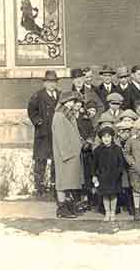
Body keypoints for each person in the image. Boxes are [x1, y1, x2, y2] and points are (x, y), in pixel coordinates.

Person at [27, 70, 60, 199]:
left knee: (56, 160)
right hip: (43, 134)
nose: (52, 84)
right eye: (49, 82)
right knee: (41, 160)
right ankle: (39, 186)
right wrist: (38, 121)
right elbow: (31, 110)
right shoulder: (38, 96)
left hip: (56, 133)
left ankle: (54, 185)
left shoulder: (60, 95)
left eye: (54, 82)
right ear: (44, 83)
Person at [52, 90, 83, 219]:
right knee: (63, 182)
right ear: (63, 102)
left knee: (69, 182)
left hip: (73, 154)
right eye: (69, 101)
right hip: (66, 155)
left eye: (73, 101)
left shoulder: (68, 115)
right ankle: (62, 208)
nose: (71, 104)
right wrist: (67, 154)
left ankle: (69, 206)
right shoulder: (59, 116)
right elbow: (61, 137)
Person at [92, 125, 127, 222]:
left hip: (114, 176)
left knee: (113, 194)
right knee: (105, 195)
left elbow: (121, 163)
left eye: (108, 137)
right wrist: (94, 175)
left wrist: (118, 173)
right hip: (102, 176)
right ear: (101, 138)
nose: (106, 139)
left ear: (112, 137)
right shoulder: (98, 150)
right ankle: (107, 212)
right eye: (104, 137)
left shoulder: (117, 149)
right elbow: (94, 165)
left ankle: (113, 212)